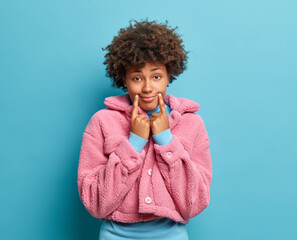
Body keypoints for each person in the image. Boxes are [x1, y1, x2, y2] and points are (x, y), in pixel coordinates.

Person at [77, 20, 213, 240]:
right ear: (124, 80)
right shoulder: (101, 122)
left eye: (157, 76)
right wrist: (133, 144)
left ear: (170, 75)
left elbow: (194, 203)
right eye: (137, 78)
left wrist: (166, 141)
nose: (148, 87)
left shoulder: (193, 124)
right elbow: (95, 204)